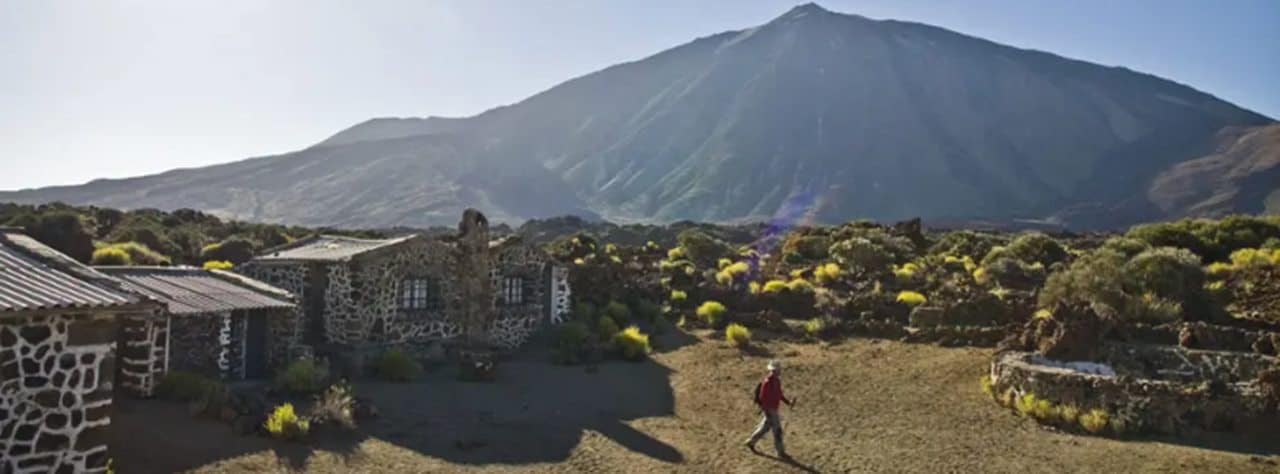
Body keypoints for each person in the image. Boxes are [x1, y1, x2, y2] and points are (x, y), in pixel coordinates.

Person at [746, 359, 795, 458]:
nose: (779, 371)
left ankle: (751, 442)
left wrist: (788, 402)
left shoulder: (776, 381)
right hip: (770, 410)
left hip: (772, 409)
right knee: (777, 431)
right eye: (778, 370)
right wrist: (767, 410)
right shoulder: (768, 382)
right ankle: (780, 452)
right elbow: (762, 397)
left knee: (764, 428)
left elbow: (779, 394)